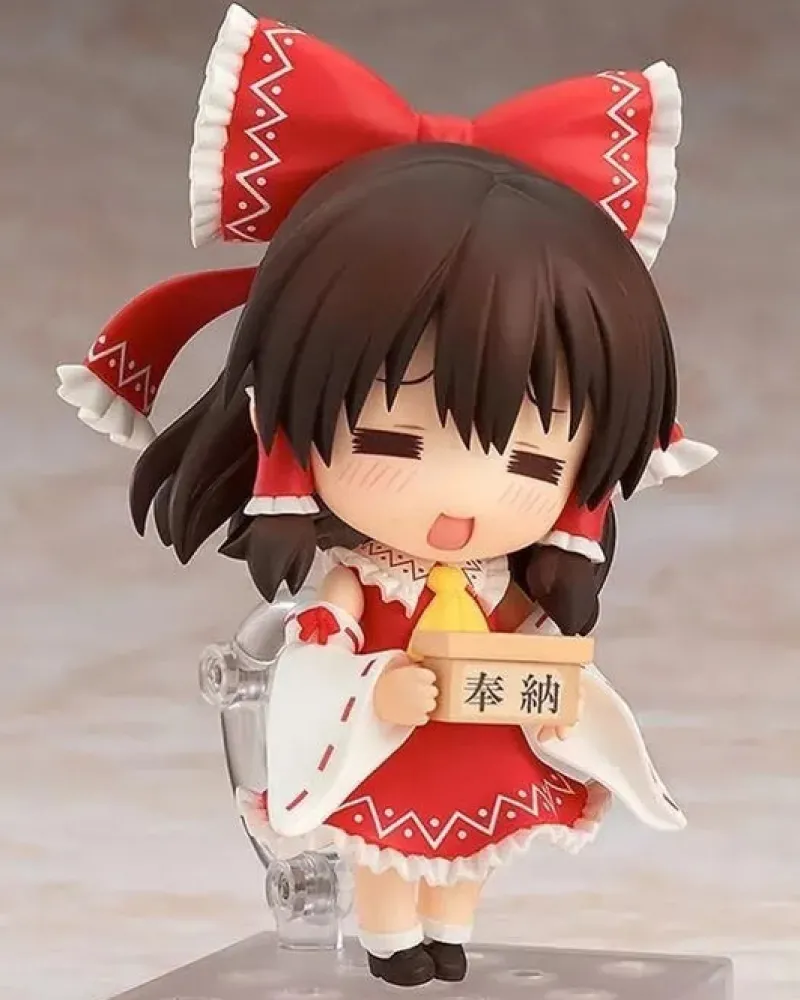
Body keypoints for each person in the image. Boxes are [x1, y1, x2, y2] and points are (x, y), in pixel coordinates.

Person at [57, 5, 716, 987]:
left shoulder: (504, 585)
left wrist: (550, 684)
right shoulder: (360, 578)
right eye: (394, 442)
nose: (462, 497)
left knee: (468, 859)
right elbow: (319, 645)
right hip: (385, 742)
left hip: (481, 743)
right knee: (385, 855)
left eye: (532, 466)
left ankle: (446, 932)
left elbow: (538, 648)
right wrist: (372, 687)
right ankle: (390, 941)